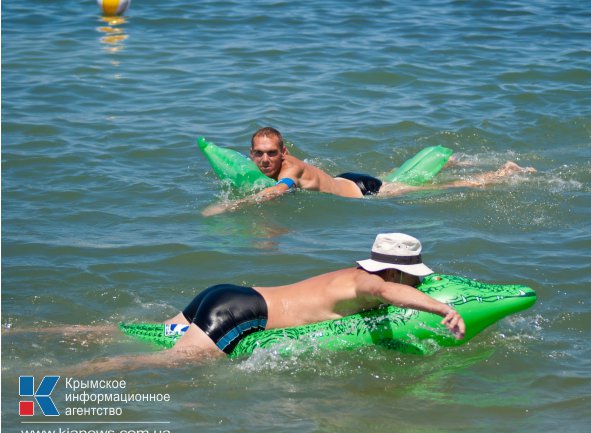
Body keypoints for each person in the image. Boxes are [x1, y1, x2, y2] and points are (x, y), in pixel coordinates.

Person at [74, 233, 465, 374]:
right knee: (178, 362)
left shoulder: (348, 275)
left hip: (229, 294)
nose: (418, 280)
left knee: (161, 332)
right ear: (396, 272)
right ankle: (79, 371)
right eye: (415, 275)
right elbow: (385, 293)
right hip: (241, 315)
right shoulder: (371, 282)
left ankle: (62, 334)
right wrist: (442, 308)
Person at [202, 127, 535, 216]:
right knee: (398, 176)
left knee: (429, 191)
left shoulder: (287, 170)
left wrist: (230, 206)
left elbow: (280, 189)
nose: (264, 160)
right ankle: (446, 162)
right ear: (250, 154)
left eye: (271, 153)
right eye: (258, 154)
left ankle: (499, 174)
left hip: (364, 192)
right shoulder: (274, 163)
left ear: (283, 152)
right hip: (347, 178)